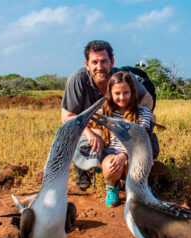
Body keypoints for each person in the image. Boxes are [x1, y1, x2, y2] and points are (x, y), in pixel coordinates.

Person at [61, 40, 154, 190]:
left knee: (142, 133)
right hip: (94, 126)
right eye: (94, 62)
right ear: (87, 64)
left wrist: (138, 117)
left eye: (104, 61)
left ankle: (131, 173)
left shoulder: (123, 77)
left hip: (122, 124)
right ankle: (85, 168)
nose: (100, 67)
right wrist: (89, 133)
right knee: (87, 136)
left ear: (112, 62)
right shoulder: (78, 80)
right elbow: (67, 116)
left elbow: (147, 97)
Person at [95, 71, 152, 207]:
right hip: (111, 153)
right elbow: (89, 123)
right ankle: (112, 186)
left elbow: (139, 140)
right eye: (117, 93)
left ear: (132, 92)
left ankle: (134, 191)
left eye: (126, 92)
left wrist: (124, 156)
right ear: (110, 93)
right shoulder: (104, 111)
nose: (122, 97)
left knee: (129, 165)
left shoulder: (142, 112)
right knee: (110, 166)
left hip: (135, 153)